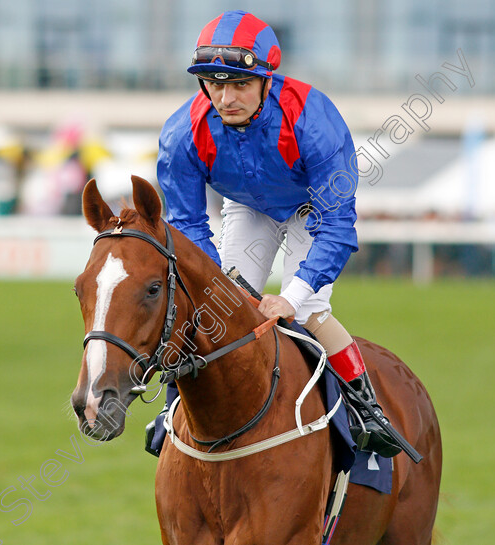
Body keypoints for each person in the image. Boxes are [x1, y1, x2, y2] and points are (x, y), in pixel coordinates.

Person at [147, 10, 402, 458]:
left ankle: (366, 407)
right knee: (218, 305)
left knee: (308, 313)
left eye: (240, 84)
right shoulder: (181, 133)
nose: (225, 98)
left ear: (267, 79)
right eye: (214, 83)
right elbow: (187, 225)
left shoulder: (313, 120)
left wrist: (293, 295)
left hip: (312, 210)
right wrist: (216, 281)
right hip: (249, 206)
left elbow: (337, 227)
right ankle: (173, 408)